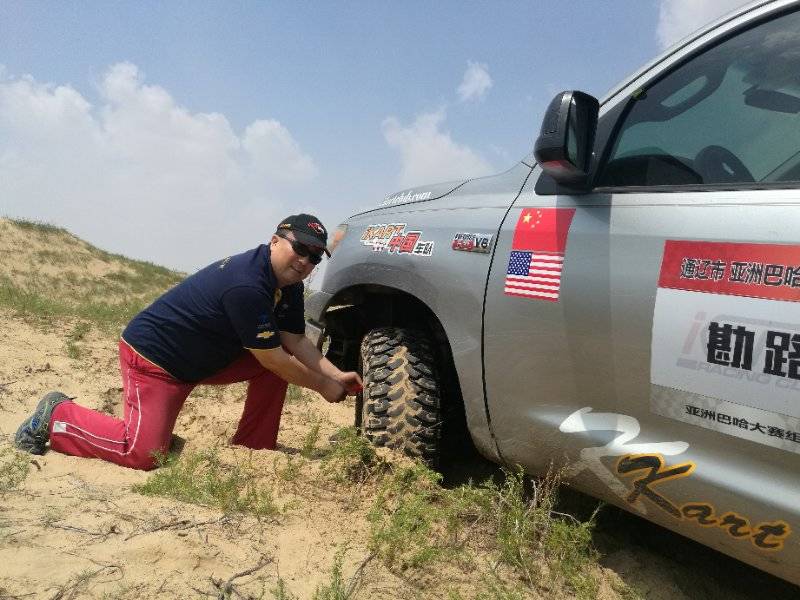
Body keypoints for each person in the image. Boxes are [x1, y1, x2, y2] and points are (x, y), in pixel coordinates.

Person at [14, 214, 362, 470]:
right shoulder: (247, 285)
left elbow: (294, 340)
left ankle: (254, 448)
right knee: (143, 453)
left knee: (280, 363)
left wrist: (335, 375)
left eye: (315, 256)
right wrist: (320, 386)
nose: (305, 262)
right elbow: (273, 359)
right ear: (274, 241)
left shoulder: (289, 285)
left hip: (203, 359)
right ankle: (58, 415)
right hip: (156, 361)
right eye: (300, 249)